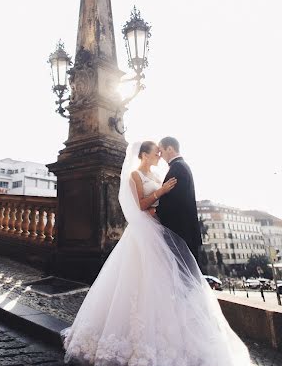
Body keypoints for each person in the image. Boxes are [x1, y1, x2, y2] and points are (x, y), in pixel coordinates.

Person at [62, 140, 251, 366]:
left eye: (160, 153)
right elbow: (140, 205)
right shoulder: (135, 175)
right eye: (155, 154)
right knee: (138, 279)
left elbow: (164, 203)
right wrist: (160, 192)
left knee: (163, 281)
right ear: (143, 155)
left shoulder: (156, 174)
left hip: (159, 230)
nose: (159, 157)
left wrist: (161, 201)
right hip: (143, 232)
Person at [156, 136, 202, 263]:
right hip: (186, 231)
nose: (160, 155)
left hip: (180, 232)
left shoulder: (177, 167)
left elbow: (173, 201)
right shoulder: (181, 165)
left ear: (169, 149)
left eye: (161, 151)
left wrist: (155, 212)